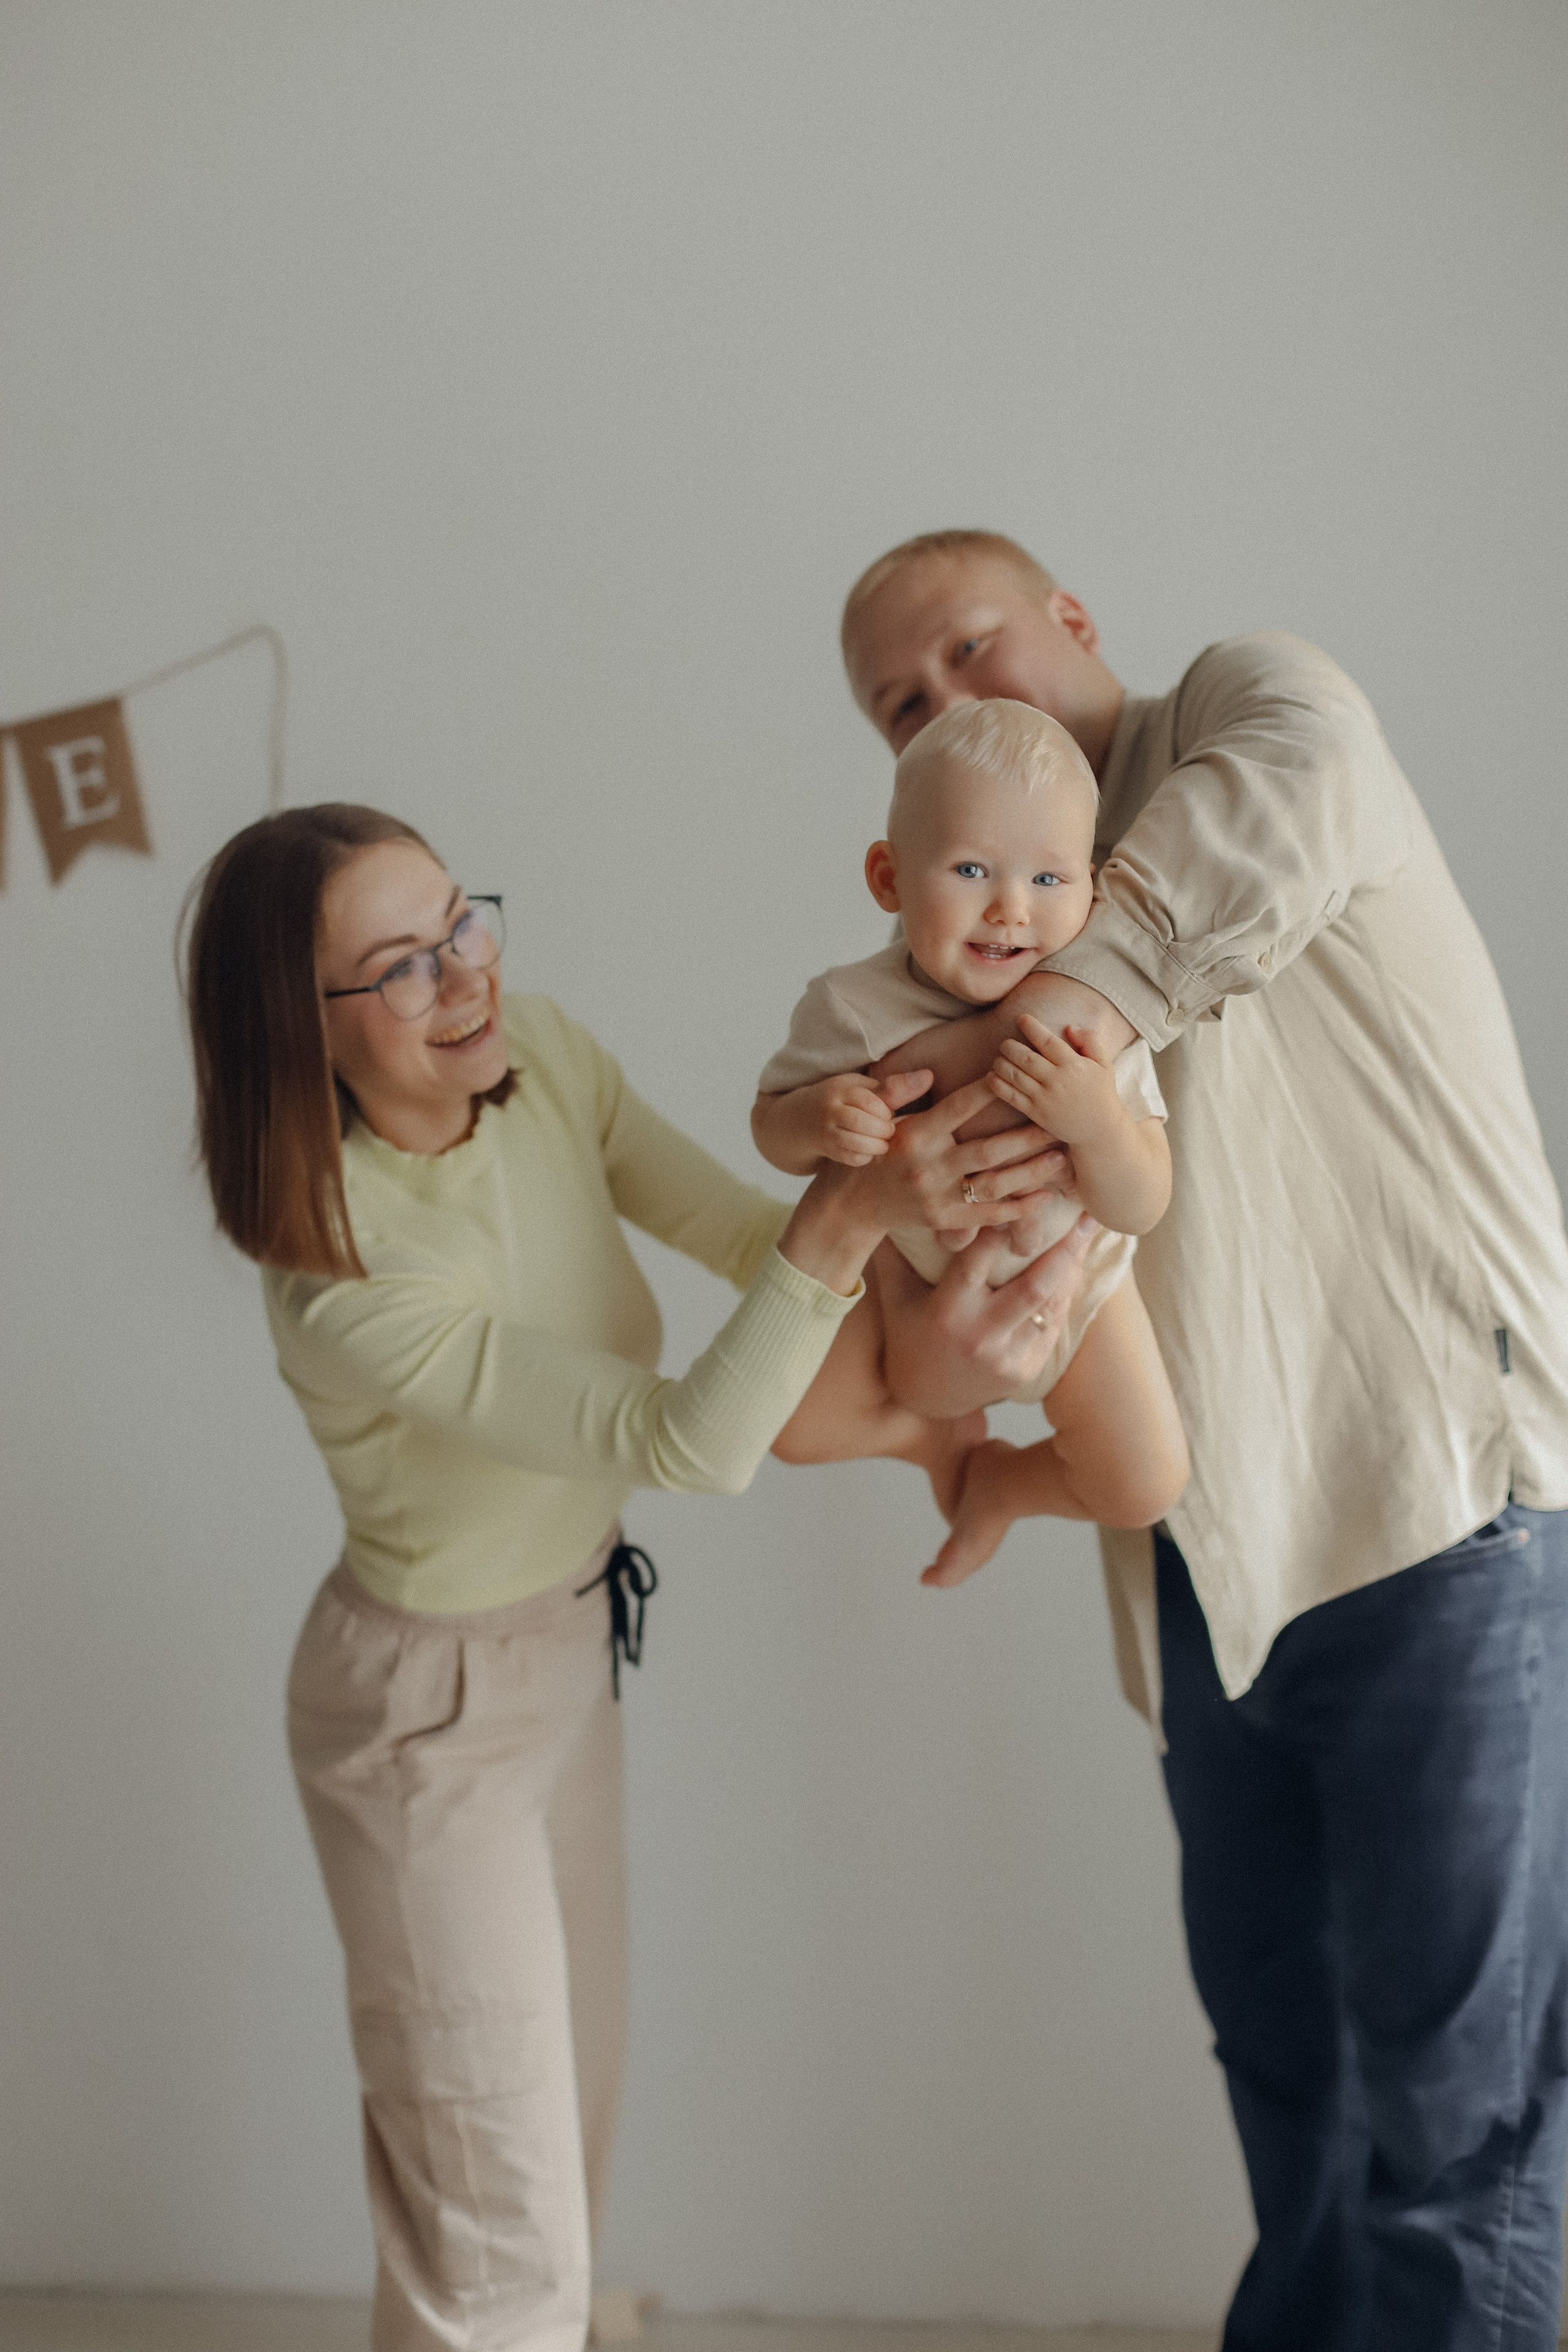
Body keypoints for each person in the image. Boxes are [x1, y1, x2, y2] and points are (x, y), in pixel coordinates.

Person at [181, 799, 1081, 2352]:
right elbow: (684, 1441)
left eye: (465, 922)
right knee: (496, 2227)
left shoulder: (542, 1063)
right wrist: (858, 1223)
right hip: (425, 1720)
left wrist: (925, 1257)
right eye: (403, 967)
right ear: (296, 1026)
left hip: (567, 1643)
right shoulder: (340, 1273)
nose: (468, 980)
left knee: (542, 2167)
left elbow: (744, 1236)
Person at [837, 529, 1568, 2352]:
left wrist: (1009, 1039)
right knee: (1287, 2079)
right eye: (902, 707)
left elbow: (1275, 823)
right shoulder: (967, 933)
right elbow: (955, 1333)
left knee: (1454, 2123)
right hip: (1202, 1560)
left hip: (1438, 1505)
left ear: (1074, 621)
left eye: (969, 650)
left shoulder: (1256, 701)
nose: (949, 703)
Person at [756, 695, 1186, 1583]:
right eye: (970, 870)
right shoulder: (852, 1009)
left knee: (1145, 1485)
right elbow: (772, 1126)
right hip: (912, 1274)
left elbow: (1144, 1199)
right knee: (793, 1428)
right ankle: (933, 1428)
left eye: (1047, 880)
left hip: (1080, 1295)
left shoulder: (1090, 1027)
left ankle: (1004, 1486)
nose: (1009, 912)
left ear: (1092, 893)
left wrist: (1099, 1124)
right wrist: (821, 1115)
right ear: (888, 877)